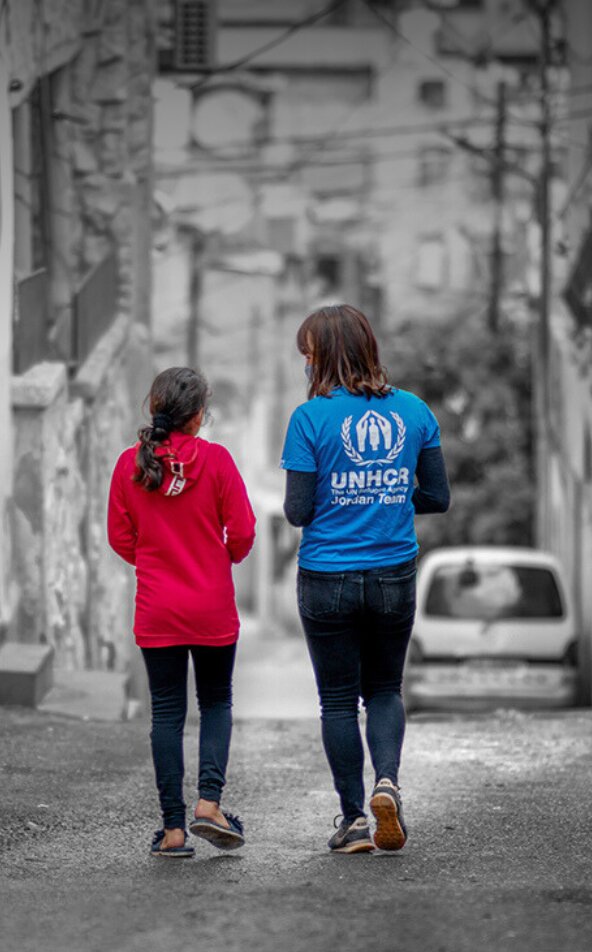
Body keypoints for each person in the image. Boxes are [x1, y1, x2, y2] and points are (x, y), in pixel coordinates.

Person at [281, 305, 449, 854]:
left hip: (326, 575)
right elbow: (438, 496)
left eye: (308, 352)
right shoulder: (415, 411)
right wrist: (391, 492)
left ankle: (354, 820)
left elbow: (298, 511)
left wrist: (339, 492)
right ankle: (388, 783)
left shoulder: (309, 419)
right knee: (384, 688)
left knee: (336, 702)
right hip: (392, 572)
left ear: (323, 355)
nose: (305, 363)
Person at [108, 367, 256, 859]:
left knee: (167, 714)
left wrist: (153, 560)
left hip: (158, 609)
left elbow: (120, 538)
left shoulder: (131, 464)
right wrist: (222, 557)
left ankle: (173, 831)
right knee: (216, 703)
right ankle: (209, 805)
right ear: (196, 417)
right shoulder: (216, 461)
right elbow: (244, 531)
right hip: (212, 605)